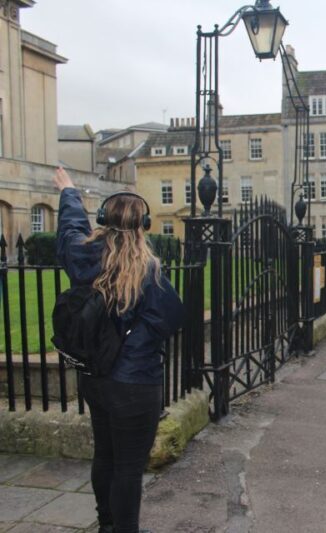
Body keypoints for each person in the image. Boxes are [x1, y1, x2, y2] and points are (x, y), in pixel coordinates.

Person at [54, 167, 184, 533]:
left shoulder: (83, 255)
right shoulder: (149, 271)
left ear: (103, 220)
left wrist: (68, 192)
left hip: (95, 378)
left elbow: (70, 230)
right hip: (135, 384)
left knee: (106, 455)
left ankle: (107, 524)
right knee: (128, 467)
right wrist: (132, 344)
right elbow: (171, 317)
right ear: (143, 225)